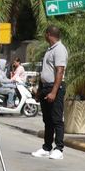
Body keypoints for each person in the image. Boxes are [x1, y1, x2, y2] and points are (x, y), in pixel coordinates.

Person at [32, 25, 68, 160]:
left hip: (55, 88)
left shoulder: (59, 49)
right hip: (46, 87)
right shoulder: (50, 49)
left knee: (57, 119)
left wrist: (54, 92)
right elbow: (45, 72)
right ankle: (47, 147)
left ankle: (59, 149)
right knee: (47, 120)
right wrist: (39, 92)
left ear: (48, 34)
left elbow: (60, 71)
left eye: (44, 34)